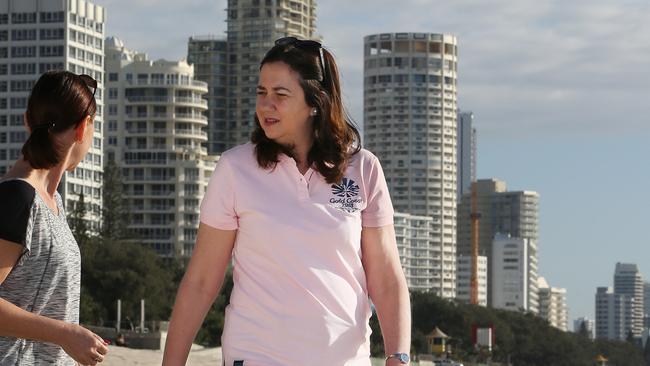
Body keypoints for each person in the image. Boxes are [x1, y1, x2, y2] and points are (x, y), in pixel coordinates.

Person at [162, 37, 411, 366]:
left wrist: (399, 354)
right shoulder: (235, 169)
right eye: (261, 93)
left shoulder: (363, 168)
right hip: (254, 357)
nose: (266, 105)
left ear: (315, 103)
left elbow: (387, 276)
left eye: (280, 95)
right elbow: (201, 280)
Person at [0, 71, 109, 365]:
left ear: (26, 119)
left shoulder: (52, 201)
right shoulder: (16, 199)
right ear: (83, 127)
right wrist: (64, 334)